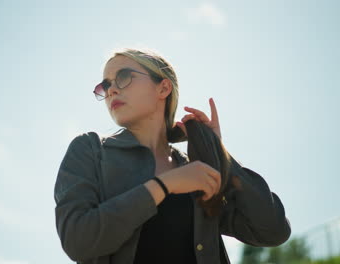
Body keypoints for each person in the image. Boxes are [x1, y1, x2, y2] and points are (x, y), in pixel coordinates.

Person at [54, 47, 291, 264]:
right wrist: (165, 185)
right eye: (105, 86)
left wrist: (218, 152)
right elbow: (78, 241)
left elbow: (273, 230)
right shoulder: (90, 150)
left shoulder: (196, 170)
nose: (112, 90)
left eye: (124, 77)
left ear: (163, 88)